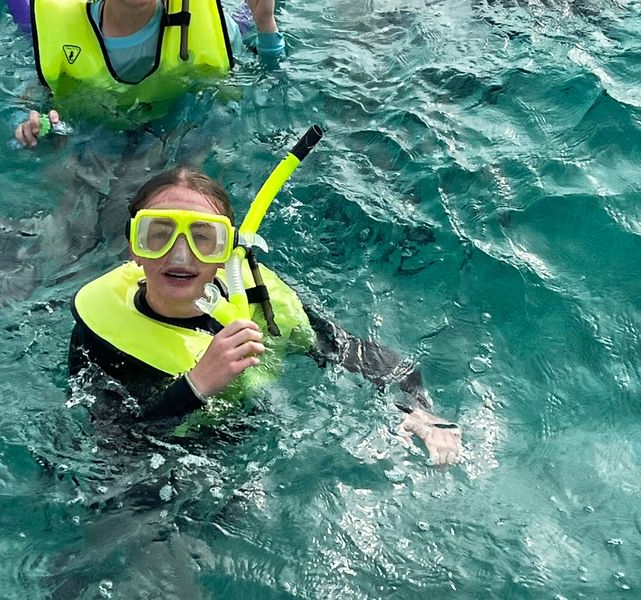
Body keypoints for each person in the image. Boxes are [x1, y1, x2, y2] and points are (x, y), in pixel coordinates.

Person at [68, 168, 463, 464]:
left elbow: (357, 354)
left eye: (203, 238)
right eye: (159, 235)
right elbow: (113, 446)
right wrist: (198, 384)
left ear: (226, 253)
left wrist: (419, 411)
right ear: (134, 248)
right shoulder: (100, 334)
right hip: (161, 470)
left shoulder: (261, 303)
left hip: (252, 449)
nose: (181, 254)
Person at [14, 0, 284, 147]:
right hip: (99, 133)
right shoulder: (59, 35)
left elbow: (262, 82)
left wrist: (265, 23)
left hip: (173, 124)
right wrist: (29, 128)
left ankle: (248, 17)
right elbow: (32, 101)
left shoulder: (215, 29)